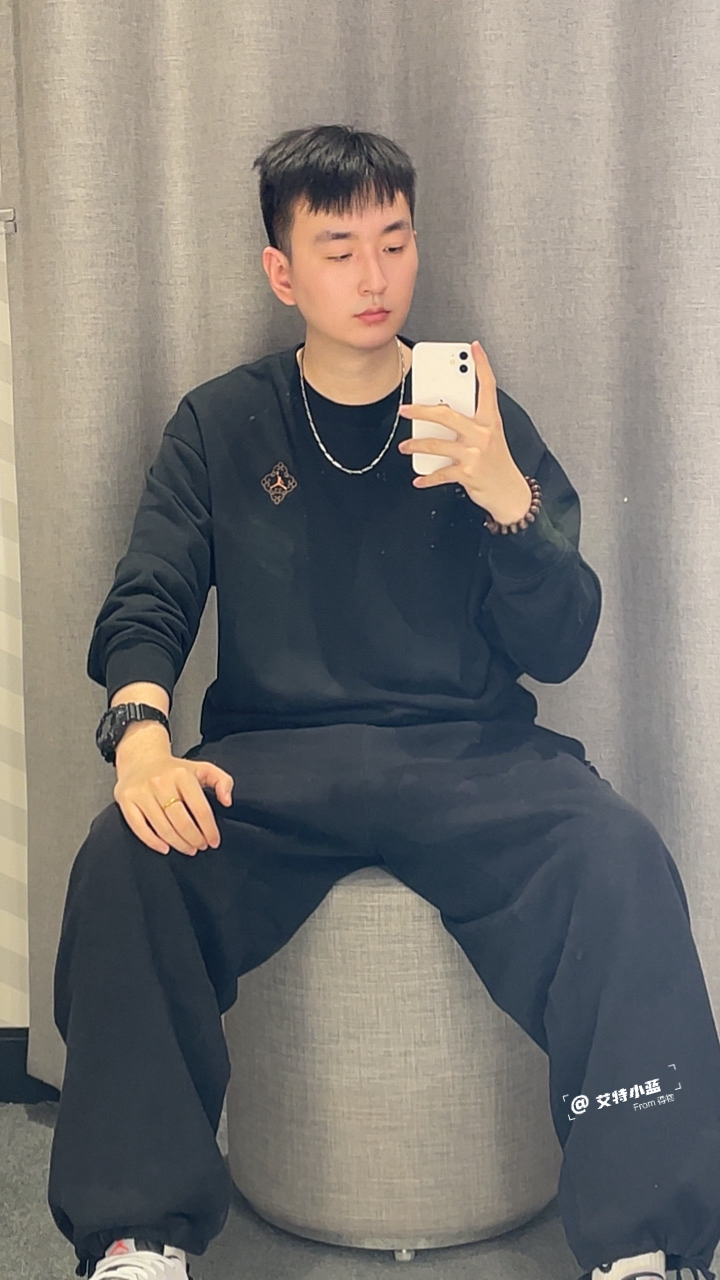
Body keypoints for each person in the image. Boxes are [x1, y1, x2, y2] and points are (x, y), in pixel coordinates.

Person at [47, 125, 720, 1280]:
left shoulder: (481, 415)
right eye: (340, 247)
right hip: (275, 761)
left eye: (395, 242)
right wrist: (142, 733)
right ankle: (134, 1233)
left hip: (471, 754)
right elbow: (150, 591)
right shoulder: (221, 422)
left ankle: (653, 1242)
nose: (375, 274)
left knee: (617, 854)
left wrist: (506, 494)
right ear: (282, 270)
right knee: (127, 853)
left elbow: (560, 639)